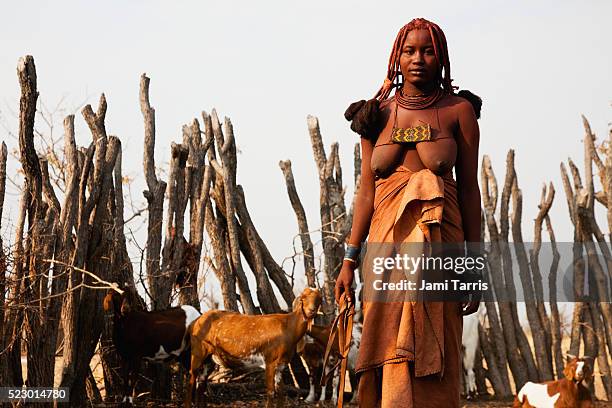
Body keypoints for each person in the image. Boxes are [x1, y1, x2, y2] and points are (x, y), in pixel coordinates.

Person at [336, 18, 482, 407]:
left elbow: (469, 191)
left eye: (428, 50)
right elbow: (367, 193)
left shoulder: (458, 112)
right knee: (383, 344)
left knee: (439, 344)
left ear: (442, 58)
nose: (418, 58)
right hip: (385, 248)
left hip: (439, 245)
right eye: (409, 50)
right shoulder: (375, 115)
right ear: (396, 58)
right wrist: (349, 260)